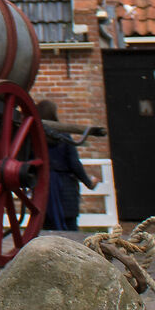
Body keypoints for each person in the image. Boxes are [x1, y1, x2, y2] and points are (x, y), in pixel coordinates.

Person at [37, 97, 99, 231]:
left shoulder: (35, 138)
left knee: (46, 226)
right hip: (64, 186)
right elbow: (74, 164)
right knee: (69, 226)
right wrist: (89, 182)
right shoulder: (63, 136)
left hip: (43, 187)